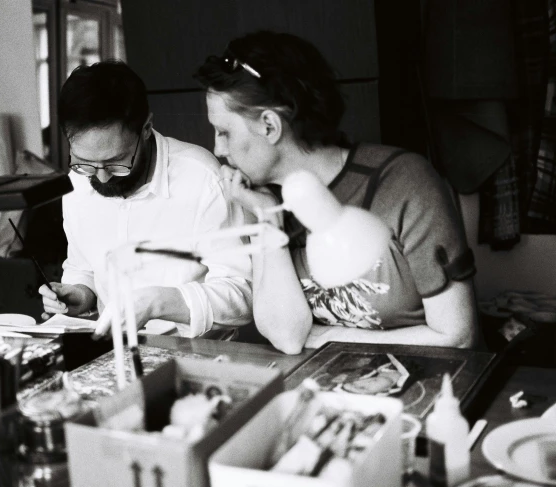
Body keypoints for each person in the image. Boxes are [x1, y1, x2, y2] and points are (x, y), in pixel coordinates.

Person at [194, 31, 480, 354]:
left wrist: (329, 339)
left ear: (270, 126)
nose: (217, 150)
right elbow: (288, 338)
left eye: (223, 132)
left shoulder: (405, 183)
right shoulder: (262, 198)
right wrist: (267, 220)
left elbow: (458, 336)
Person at [39, 60, 252, 337]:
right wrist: (79, 293)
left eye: (117, 162)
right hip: (111, 354)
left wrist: (158, 302)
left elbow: (241, 296)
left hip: (197, 355)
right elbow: (84, 268)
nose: (101, 178)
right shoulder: (78, 183)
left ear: (147, 128)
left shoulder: (202, 178)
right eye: (86, 162)